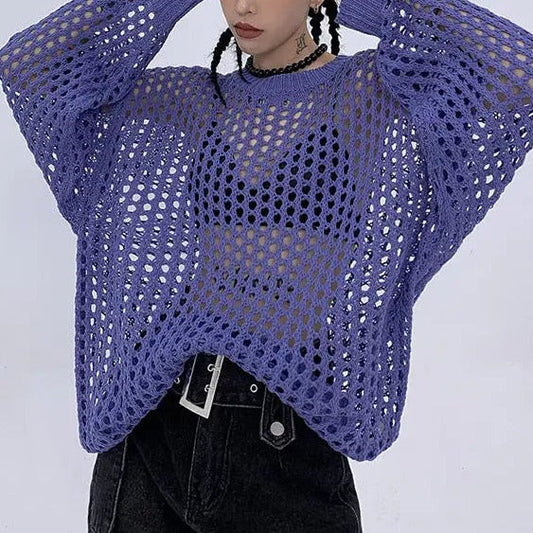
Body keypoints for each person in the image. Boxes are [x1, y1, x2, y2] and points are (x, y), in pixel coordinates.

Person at [0, 0, 531, 531]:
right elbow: (29, 72)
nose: (244, 5)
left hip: (282, 428)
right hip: (157, 420)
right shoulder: (197, 98)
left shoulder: (369, 90)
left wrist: (377, 5)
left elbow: (517, 74)